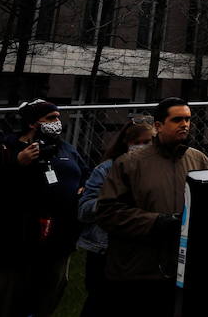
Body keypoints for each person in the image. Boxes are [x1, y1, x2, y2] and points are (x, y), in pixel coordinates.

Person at [0, 99, 90, 317]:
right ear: (33, 123)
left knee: (44, 299)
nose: (57, 122)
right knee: (0, 301)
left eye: (59, 117)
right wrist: (16, 165)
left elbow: (85, 174)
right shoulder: (6, 150)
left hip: (56, 243)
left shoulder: (65, 149)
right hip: (11, 244)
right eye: (51, 118)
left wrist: (83, 189)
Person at [96, 97, 208, 315]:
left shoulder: (199, 161)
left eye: (187, 119)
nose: (185, 125)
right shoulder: (129, 163)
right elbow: (107, 212)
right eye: (177, 120)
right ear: (158, 126)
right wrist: (157, 222)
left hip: (182, 268)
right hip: (139, 271)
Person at [77, 117, 154, 317]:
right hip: (106, 249)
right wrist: (112, 200)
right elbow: (84, 210)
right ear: (126, 143)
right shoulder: (106, 169)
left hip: (141, 250)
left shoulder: (158, 170)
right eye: (139, 143)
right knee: (101, 301)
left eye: (149, 142)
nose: (144, 147)